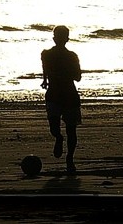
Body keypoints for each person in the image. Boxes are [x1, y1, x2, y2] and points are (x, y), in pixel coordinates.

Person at [41, 25, 82, 173]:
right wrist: (45, 80)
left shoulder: (72, 56)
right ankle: (58, 138)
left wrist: (62, 74)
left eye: (61, 36)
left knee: (71, 129)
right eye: (57, 36)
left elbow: (78, 77)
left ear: (66, 39)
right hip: (53, 94)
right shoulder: (45, 54)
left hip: (69, 94)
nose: (58, 39)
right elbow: (44, 69)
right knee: (54, 126)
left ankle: (70, 158)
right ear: (54, 38)